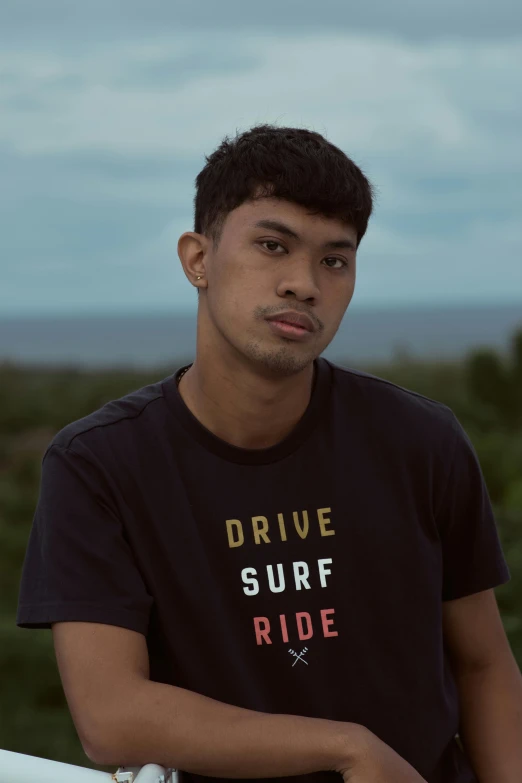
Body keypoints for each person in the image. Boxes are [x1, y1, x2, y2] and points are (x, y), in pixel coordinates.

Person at [16, 124, 522, 783]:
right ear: (198, 258)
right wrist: (346, 747)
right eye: (272, 245)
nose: (304, 284)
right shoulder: (99, 464)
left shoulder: (420, 440)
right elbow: (111, 716)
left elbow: (484, 664)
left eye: (334, 261)